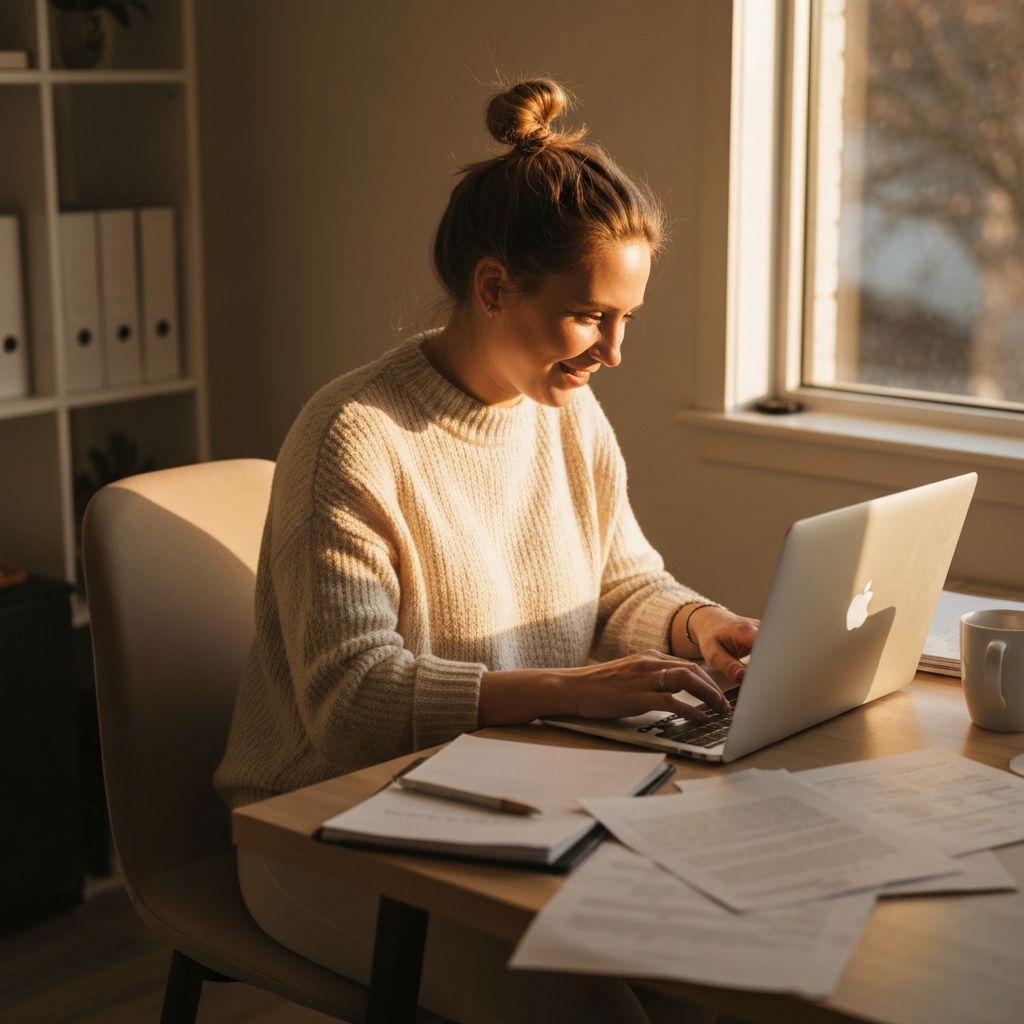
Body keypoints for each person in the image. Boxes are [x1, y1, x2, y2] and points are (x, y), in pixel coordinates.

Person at [216, 78, 759, 1024]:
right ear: (494, 285)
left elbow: (618, 584)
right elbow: (350, 707)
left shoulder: (569, 414)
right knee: (601, 1013)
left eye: (628, 318)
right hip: (325, 829)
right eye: (591, 315)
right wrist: (574, 691)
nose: (614, 351)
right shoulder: (353, 437)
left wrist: (694, 624)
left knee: (718, 960)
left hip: (510, 795)